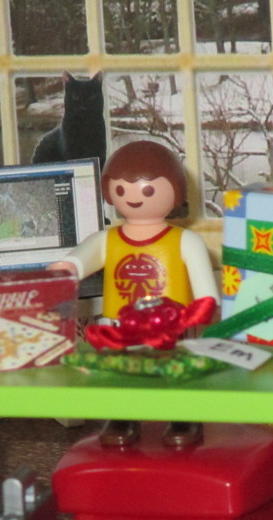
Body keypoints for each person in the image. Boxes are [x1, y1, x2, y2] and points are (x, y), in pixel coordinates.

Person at [61, 140, 219, 447]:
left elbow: (205, 289)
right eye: (121, 189)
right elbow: (82, 258)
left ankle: (184, 418)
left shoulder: (185, 240)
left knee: (175, 373)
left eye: (147, 190)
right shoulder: (108, 239)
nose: (133, 198)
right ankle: (122, 416)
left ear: (176, 190)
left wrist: (206, 306)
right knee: (121, 374)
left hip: (172, 327)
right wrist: (68, 266)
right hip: (120, 326)